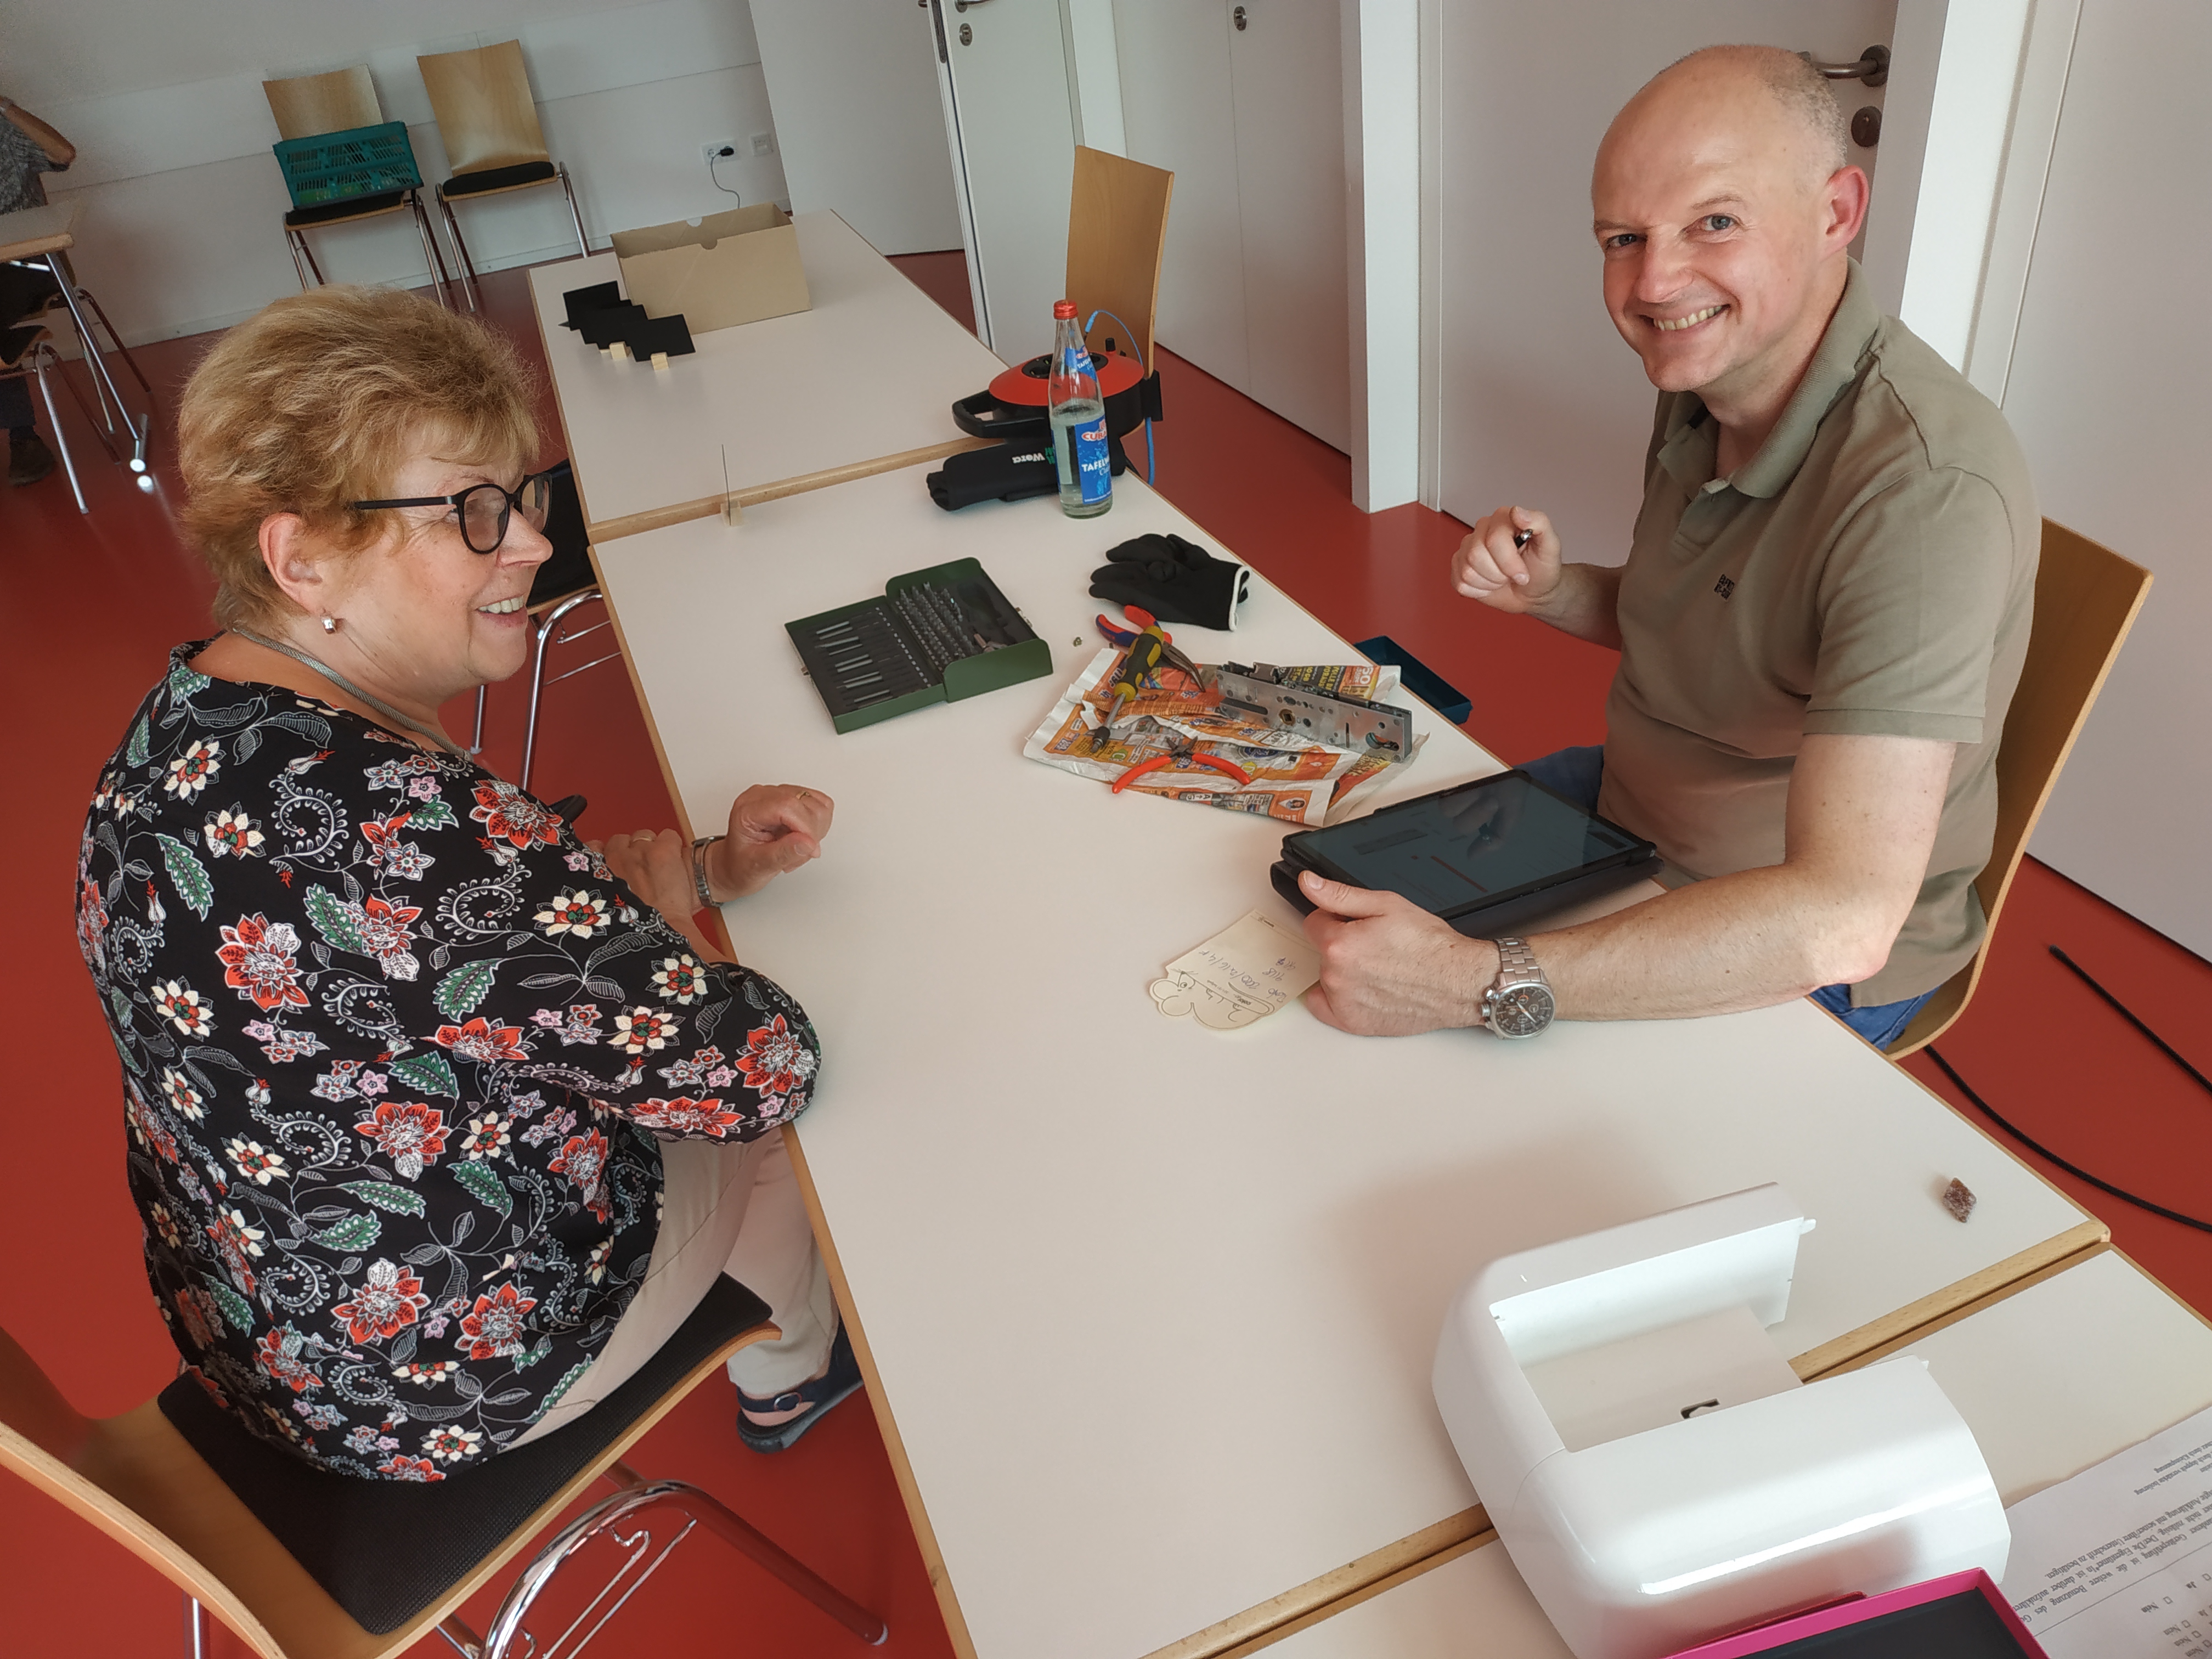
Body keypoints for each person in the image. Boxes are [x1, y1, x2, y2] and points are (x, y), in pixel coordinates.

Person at [77, 285, 858, 1477]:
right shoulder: (408, 830)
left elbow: (445, 948)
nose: (533, 544)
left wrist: (699, 871)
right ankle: (790, 1371)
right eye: (472, 514)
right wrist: (668, 926)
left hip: (266, 1330)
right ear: (303, 557)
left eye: (520, 497)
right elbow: (760, 1069)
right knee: (785, 1135)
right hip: (433, 1384)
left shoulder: (188, 721)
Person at [1299, 45, 2037, 1052]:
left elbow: (1843, 916)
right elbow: (1715, 622)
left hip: (1777, 931)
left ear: (1836, 213)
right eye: (1623, 238)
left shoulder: (1923, 493)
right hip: (1634, 813)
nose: (1653, 281)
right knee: (1315, 893)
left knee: (1413, 1053)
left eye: (1714, 222)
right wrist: (1552, 592)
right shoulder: (1710, 382)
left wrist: (1470, 980)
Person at [1, 91, 75, 487]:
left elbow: (63, 154)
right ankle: (23, 437)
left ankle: (23, 436)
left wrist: (6, 108)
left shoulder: (6, 131)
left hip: (30, 263)